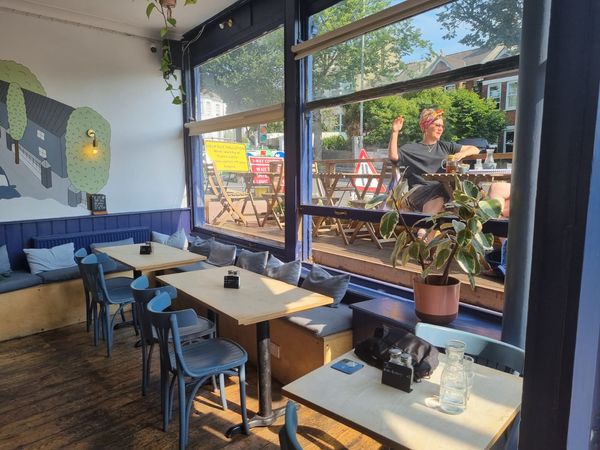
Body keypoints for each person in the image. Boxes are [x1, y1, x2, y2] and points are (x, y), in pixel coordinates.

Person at [388, 108, 481, 214]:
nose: (440, 129)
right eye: (437, 125)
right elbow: (393, 156)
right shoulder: (410, 148)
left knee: (441, 196)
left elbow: (475, 149)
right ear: (426, 127)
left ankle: (423, 230)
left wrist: (461, 154)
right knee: (444, 189)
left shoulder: (446, 146)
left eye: (442, 126)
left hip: (441, 191)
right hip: (418, 191)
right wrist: (395, 132)